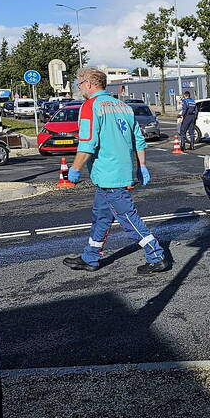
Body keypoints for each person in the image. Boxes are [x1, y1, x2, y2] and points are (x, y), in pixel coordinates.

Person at [63, 68, 171, 274]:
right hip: (121, 172)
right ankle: (90, 257)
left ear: (89, 84)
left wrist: (75, 169)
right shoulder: (123, 106)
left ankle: (156, 255)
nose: (79, 89)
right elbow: (138, 140)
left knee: (128, 218)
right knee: (101, 216)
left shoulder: (90, 106)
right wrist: (142, 166)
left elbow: (87, 143)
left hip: (108, 174)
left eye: (79, 84)